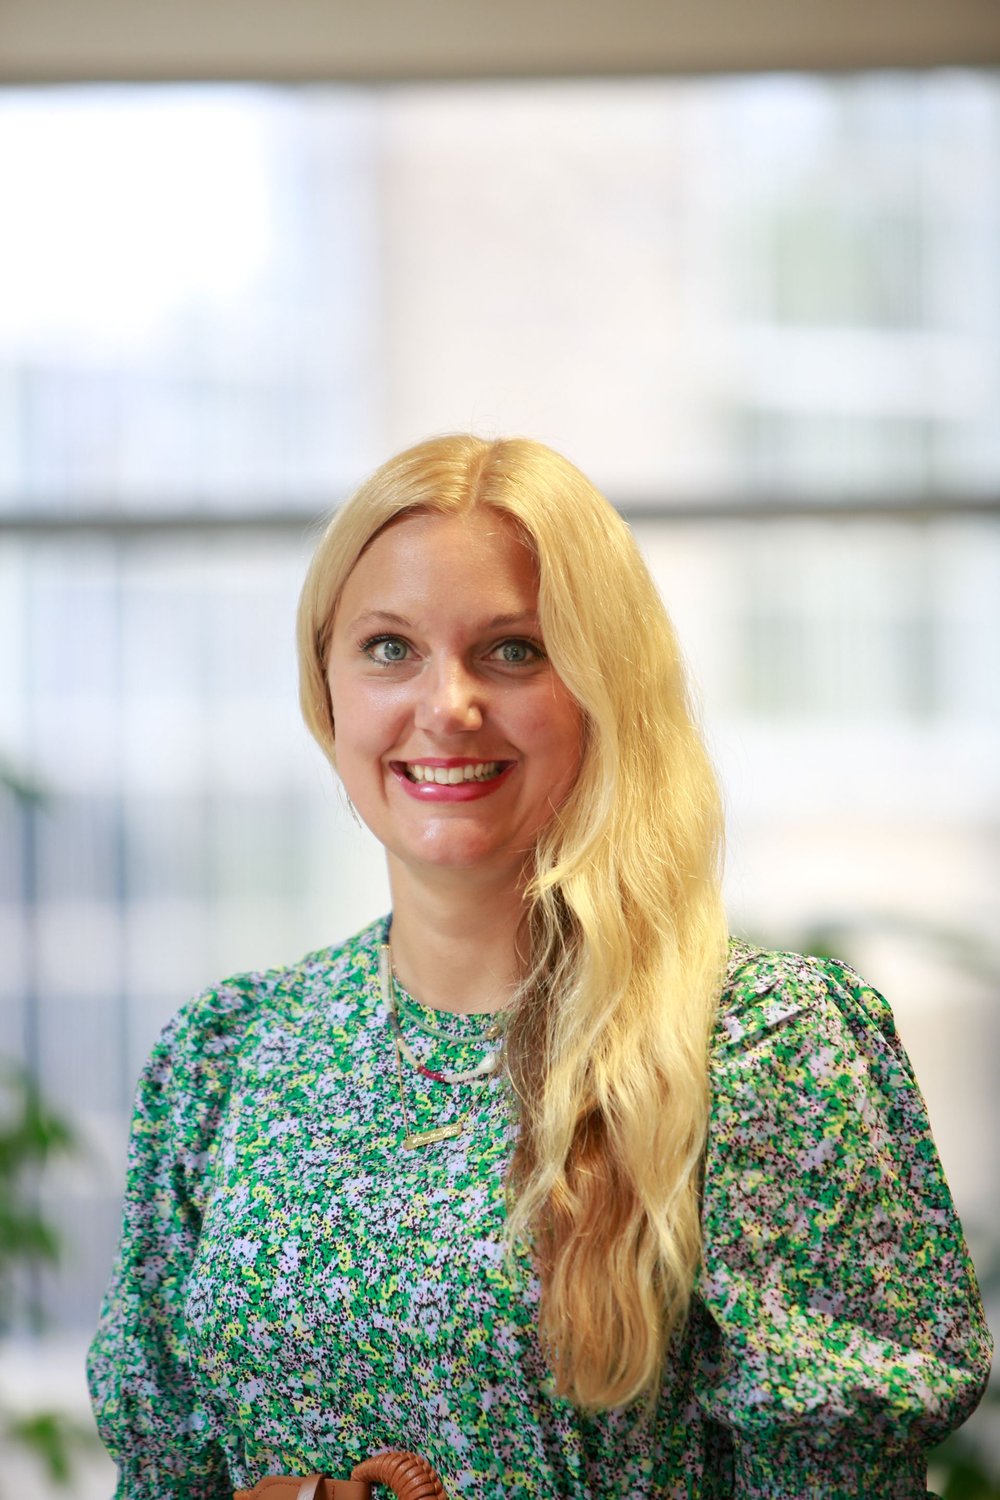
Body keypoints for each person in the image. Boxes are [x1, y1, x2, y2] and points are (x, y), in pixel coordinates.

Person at [88, 435, 992, 1499]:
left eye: (512, 650)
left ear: (604, 687)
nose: (447, 705)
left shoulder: (763, 1044)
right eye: (389, 649)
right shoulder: (227, 1057)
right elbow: (162, 1476)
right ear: (326, 691)